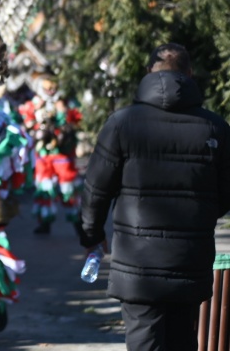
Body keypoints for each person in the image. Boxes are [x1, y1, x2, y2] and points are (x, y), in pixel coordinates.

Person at [79, 43, 230, 351]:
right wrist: (196, 217)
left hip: (137, 266)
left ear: (149, 72)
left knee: (143, 343)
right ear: (189, 74)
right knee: (182, 340)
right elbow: (226, 195)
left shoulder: (122, 123)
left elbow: (96, 189)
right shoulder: (215, 127)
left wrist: (91, 236)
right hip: (190, 259)